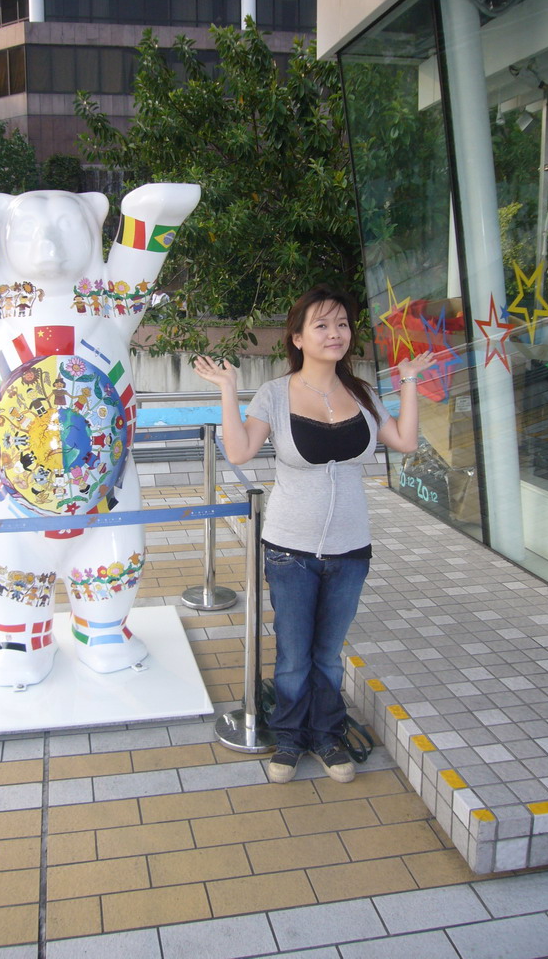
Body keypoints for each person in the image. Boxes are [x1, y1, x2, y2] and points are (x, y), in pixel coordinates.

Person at [193, 285, 434, 784]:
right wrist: (226, 391)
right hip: (289, 549)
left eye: (342, 324)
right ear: (298, 337)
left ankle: (327, 735)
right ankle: (289, 738)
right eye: (321, 325)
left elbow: (404, 442)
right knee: (294, 655)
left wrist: (408, 382)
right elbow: (238, 453)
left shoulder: (362, 391)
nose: (334, 333)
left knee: (328, 654)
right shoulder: (275, 394)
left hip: (352, 549)